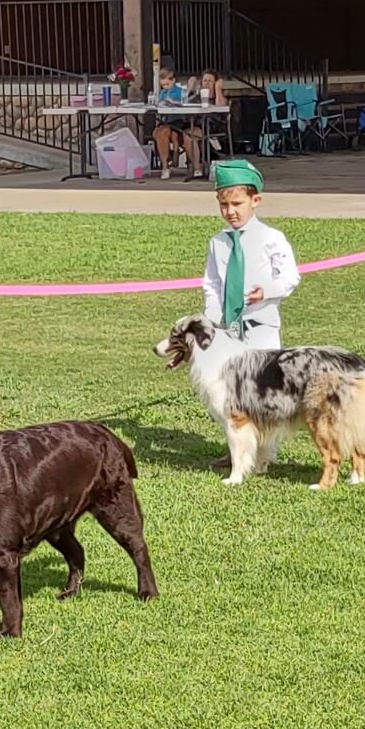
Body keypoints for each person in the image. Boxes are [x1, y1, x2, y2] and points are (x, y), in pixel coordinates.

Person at [204, 159, 301, 467]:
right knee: (231, 391)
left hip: (261, 327)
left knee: (260, 392)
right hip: (228, 331)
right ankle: (237, 449)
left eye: (237, 204)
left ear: (255, 200)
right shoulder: (218, 243)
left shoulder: (272, 238)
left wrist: (266, 291)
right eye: (224, 205)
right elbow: (212, 283)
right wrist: (213, 316)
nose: (231, 211)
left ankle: (264, 453)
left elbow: (290, 276)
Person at [182, 69, 229, 178]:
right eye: (205, 80)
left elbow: (221, 105)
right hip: (193, 124)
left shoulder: (218, 96)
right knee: (186, 132)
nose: (207, 83)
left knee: (190, 134)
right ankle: (196, 167)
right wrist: (189, 88)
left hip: (210, 125)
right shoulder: (197, 96)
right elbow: (183, 103)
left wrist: (218, 89)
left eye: (210, 81)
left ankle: (196, 167)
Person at [152, 68, 187, 180]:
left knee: (172, 133)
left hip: (177, 120)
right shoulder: (162, 93)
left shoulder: (179, 91)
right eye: (163, 85)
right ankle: (166, 162)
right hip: (166, 120)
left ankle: (172, 156)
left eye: (167, 84)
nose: (165, 87)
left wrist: (173, 103)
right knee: (160, 132)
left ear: (173, 81)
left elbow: (184, 103)